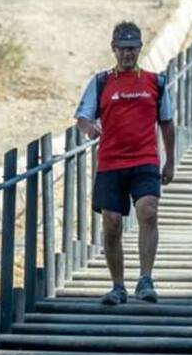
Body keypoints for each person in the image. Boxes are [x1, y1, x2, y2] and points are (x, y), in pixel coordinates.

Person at [75, 21, 176, 305]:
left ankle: (145, 279)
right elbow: (82, 115)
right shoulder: (101, 82)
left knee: (148, 211)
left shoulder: (155, 82)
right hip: (110, 162)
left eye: (132, 49)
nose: (127, 54)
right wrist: (89, 128)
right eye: (122, 49)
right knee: (112, 222)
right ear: (114, 49)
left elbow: (167, 123)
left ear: (140, 48)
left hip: (145, 159)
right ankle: (118, 285)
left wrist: (169, 162)